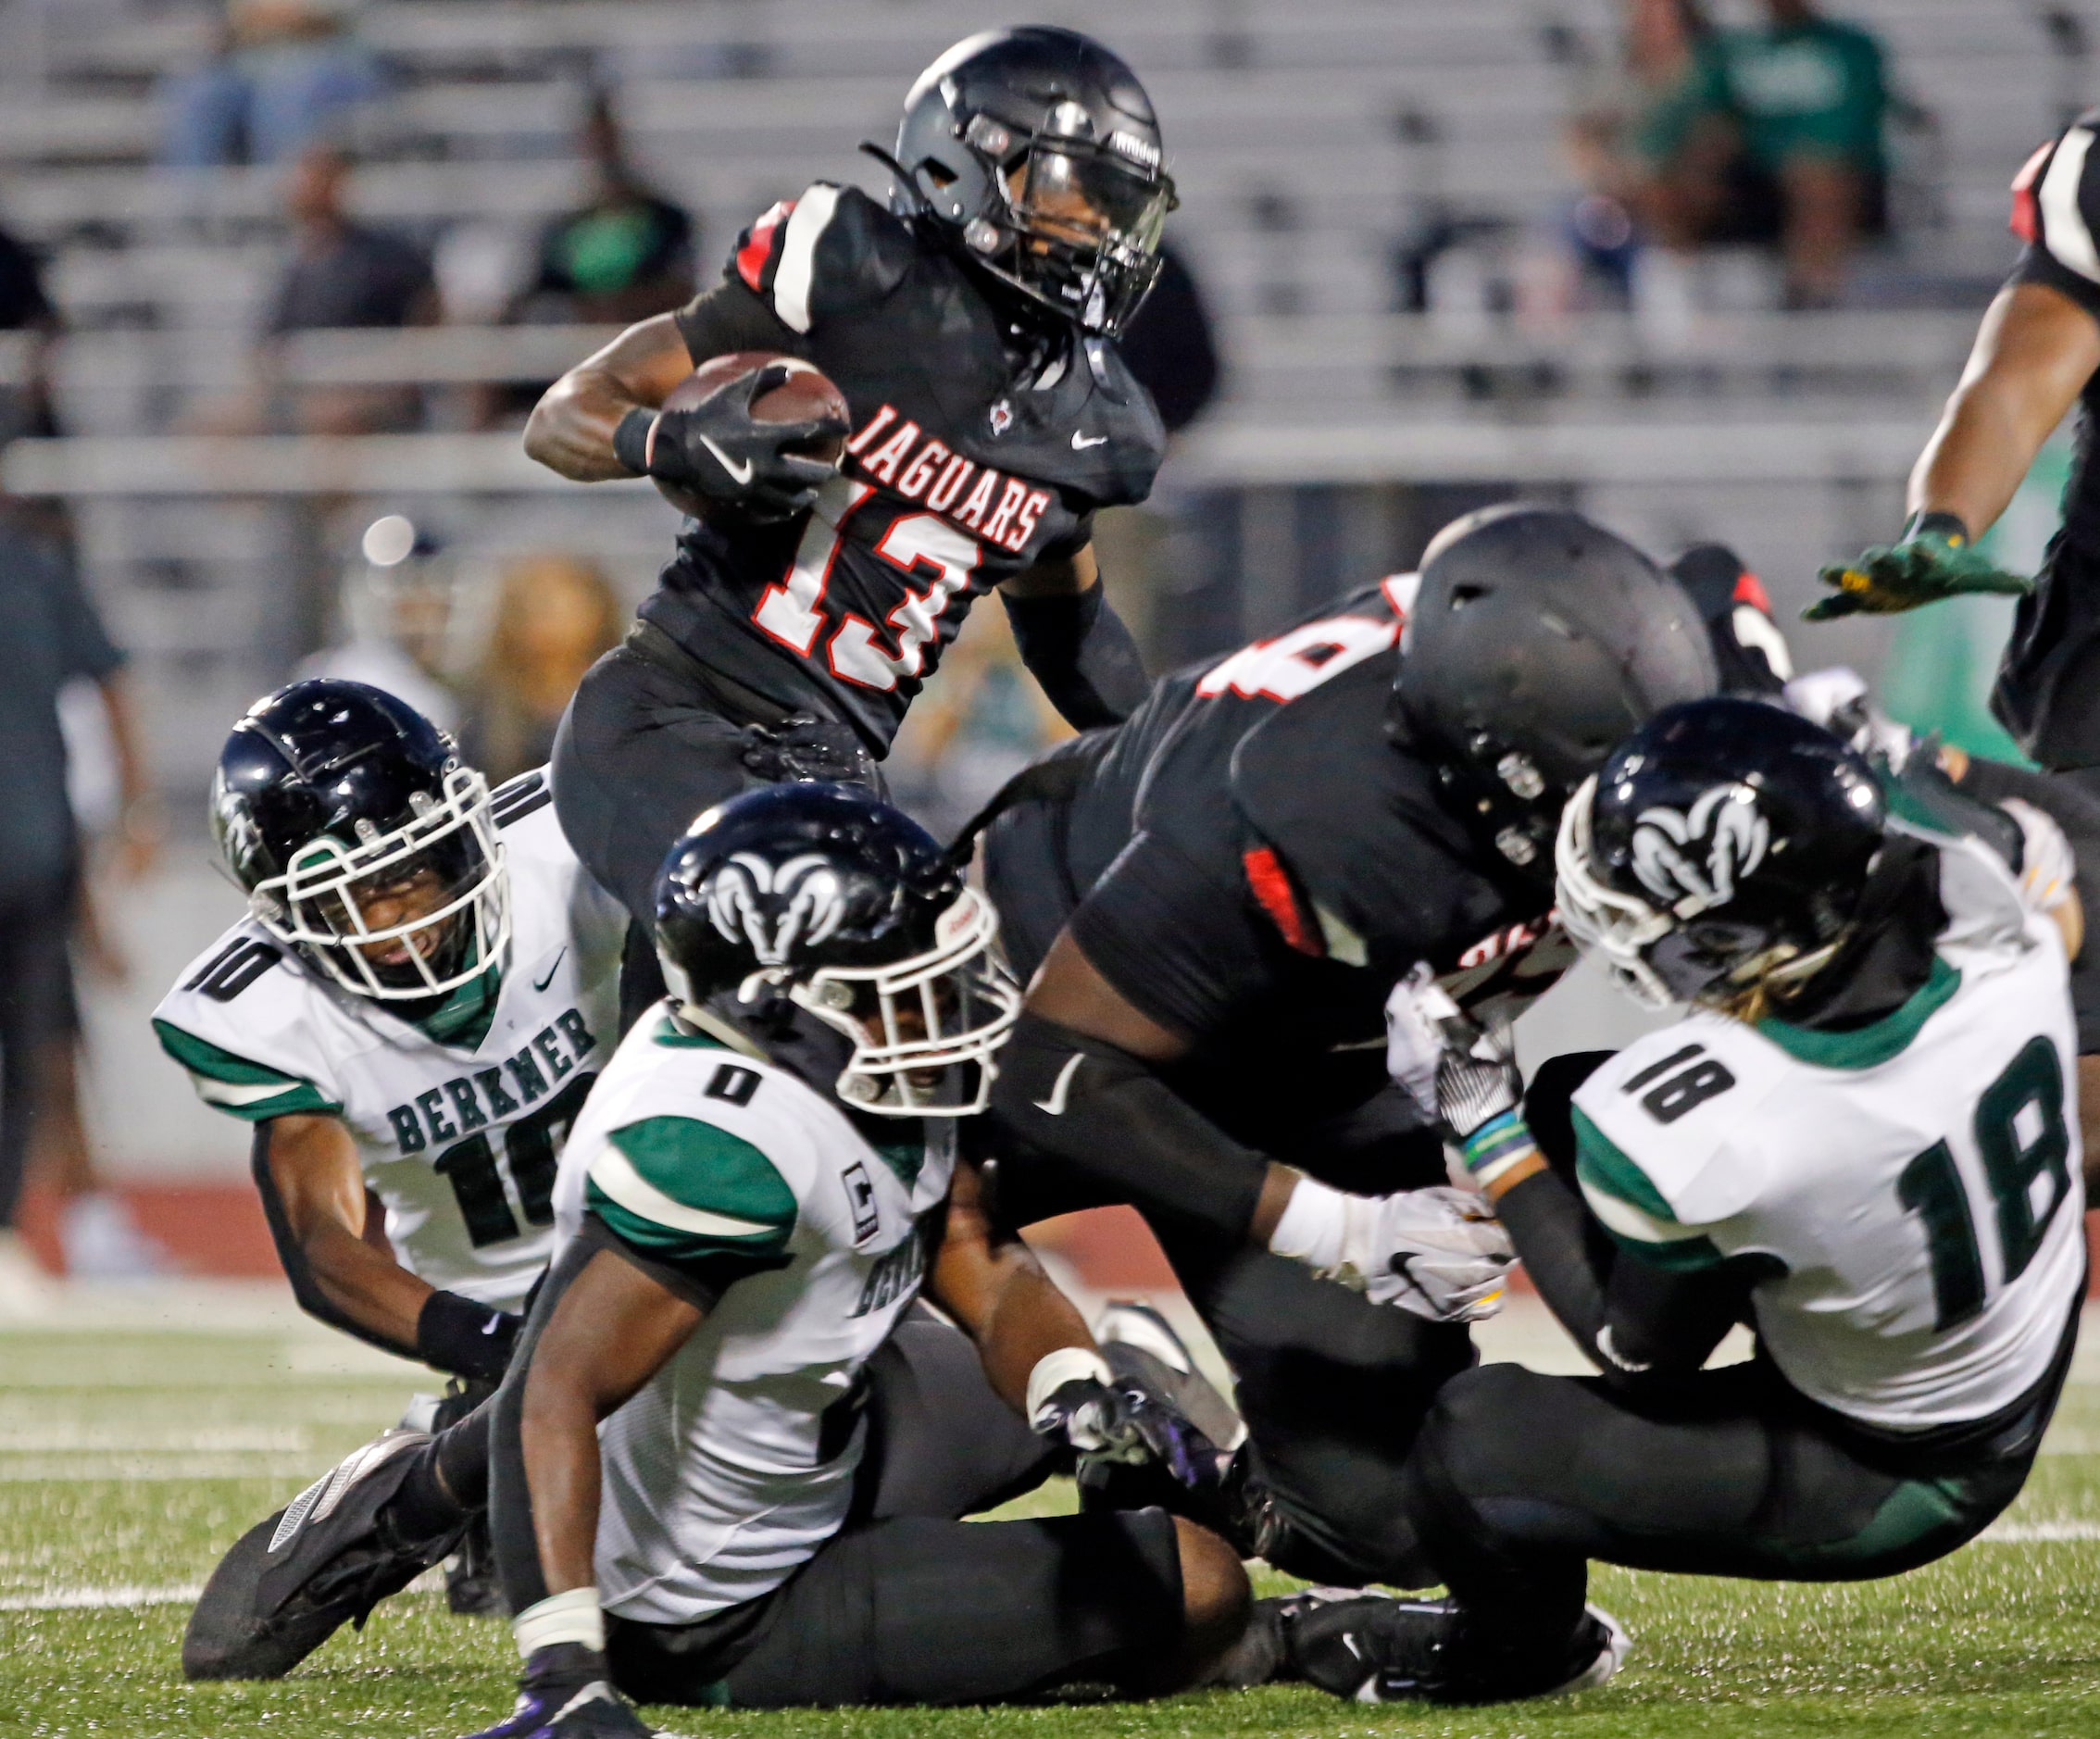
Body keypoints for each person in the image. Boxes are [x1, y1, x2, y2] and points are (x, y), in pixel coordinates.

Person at [182, 786, 1255, 1733]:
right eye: (907, 981)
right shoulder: (720, 1148)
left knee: (1141, 1418)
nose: (953, 1008)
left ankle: (438, 1477)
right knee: (1202, 1586)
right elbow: (553, 1388)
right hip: (723, 1599)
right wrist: (565, 1671)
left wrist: (1069, 1393)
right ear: (782, 1000)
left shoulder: (867, 1059)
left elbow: (975, 1246)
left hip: (826, 1420)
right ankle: (428, 1484)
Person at [1276, 696, 2085, 1704]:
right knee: (1573, 1104)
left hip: (1894, 1465)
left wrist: (1480, 1121)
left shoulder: (1722, 1123)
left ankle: (1525, 1650)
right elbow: (2062, 881)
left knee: (1474, 1442)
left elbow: (1639, 1355)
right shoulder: (1990, 892)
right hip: (2010, 1308)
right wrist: (1918, 756)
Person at [970, 505, 1721, 1589]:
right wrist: (1341, 1229)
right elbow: (1047, 1067)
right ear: (1489, 779)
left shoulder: (1668, 697)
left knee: (1394, 1524)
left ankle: (1182, 1456)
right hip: (1059, 985)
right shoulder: (1322, 816)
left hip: (1319, 1035)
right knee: (855, 1282)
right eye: (1585, 803)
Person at [523, 27, 1168, 1023]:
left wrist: (1190, 756)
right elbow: (566, 411)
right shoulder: (854, 270)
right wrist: (669, 443)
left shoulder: (1092, 423)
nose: (1096, 229)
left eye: (1113, 204)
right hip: (675, 718)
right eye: (1066, 191)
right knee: (787, 998)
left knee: (909, 1055)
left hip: (835, 778)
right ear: (967, 163)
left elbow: (1073, 641)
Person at [152, 682, 625, 1390]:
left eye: (404, 872)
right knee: (423, 1493)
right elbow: (325, 1246)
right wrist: (493, 1346)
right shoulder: (273, 1013)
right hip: (504, 1336)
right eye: (340, 902)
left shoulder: (572, 848)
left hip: (680, 1263)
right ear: (282, 908)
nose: (386, 921)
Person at [1638, 0, 1889, 307]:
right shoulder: (1738, 52)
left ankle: (1812, 298)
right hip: (1757, 179)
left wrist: (1792, 155)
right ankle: (1686, 301)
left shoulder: (1851, 49)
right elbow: (1707, 117)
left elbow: (1851, 129)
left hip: (1839, 180)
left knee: (1818, 175)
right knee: (1670, 181)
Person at [518, 94, 696, 329]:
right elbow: (540, 290)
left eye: (608, 141)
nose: (603, 152)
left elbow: (678, 287)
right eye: (595, 141)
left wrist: (616, 309)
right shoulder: (565, 225)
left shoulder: (665, 219)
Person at [457, 554, 625, 787]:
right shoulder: (483, 712)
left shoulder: (632, 697)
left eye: (557, 604)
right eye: (530, 605)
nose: (543, 615)